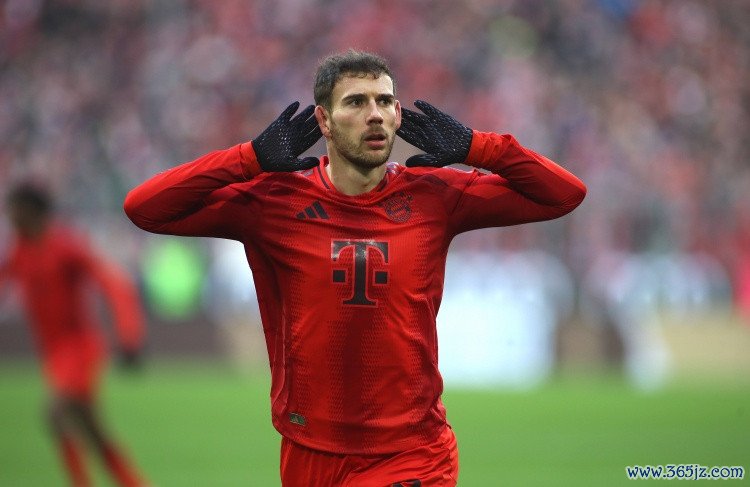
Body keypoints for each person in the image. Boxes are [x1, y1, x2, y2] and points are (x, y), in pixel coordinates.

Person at [124, 49, 586, 486]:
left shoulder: (435, 196)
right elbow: (145, 208)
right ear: (323, 120)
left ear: (399, 114)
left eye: (385, 101)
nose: (375, 114)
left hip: (412, 452)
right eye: (356, 102)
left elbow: (564, 195)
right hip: (308, 450)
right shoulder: (272, 202)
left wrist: (477, 147)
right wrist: (248, 159)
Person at [1, 181, 149, 487]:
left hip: (78, 348)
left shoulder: (65, 246)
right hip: (54, 354)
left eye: (13, 209)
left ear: (31, 210)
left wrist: (129, 334)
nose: (9, 216)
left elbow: (112, 283)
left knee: (56, 413)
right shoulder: (21, 250)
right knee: (91, 431)